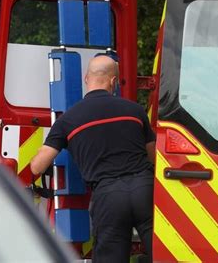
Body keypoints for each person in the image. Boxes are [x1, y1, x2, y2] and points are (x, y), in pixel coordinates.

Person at [30, 55, 156, 262]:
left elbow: (37, 166)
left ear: (86, 78)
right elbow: (153, 158)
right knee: (164, 255)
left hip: (108, 197)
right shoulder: (134, 111)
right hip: (145, 190)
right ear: (114, 82)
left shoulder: (68, 120)